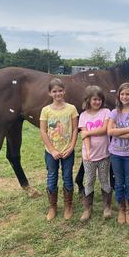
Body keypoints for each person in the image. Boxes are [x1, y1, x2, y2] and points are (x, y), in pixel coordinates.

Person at [40, 78, 78, 221]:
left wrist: (71, 146)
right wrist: (52, 149)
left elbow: (75, 129)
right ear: (50, 93)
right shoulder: (46, 110)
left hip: (67, 150)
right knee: (52, 176)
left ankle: (68, 206)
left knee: (67, 177)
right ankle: (53, 206)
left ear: (64, 91)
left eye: (60, 90)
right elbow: (43, 132)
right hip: (51, 152)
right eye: (54, 91)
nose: (58, 94)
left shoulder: (71, 109)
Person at [107, 82, 129, 225]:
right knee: (119, 181)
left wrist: (118, 132)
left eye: (128, 94)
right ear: (118, 96)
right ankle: (121, 208)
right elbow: (110, 131)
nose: (125, 96)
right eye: (122, 94)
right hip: (115, 153)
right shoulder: (114, 112)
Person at [78, 85, 112, 221]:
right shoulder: (83, 116)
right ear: (88, 100)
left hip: (104, 154)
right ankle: (87, 208)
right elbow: (84, 136)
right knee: (89, 181)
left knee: (104, 180)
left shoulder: (106, 112)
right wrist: (88, 152)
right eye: (94, 99)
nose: (97, 102)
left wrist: (88, 132)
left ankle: (107, 207)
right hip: (89, 157)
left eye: (99, 99)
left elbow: (104, 129)